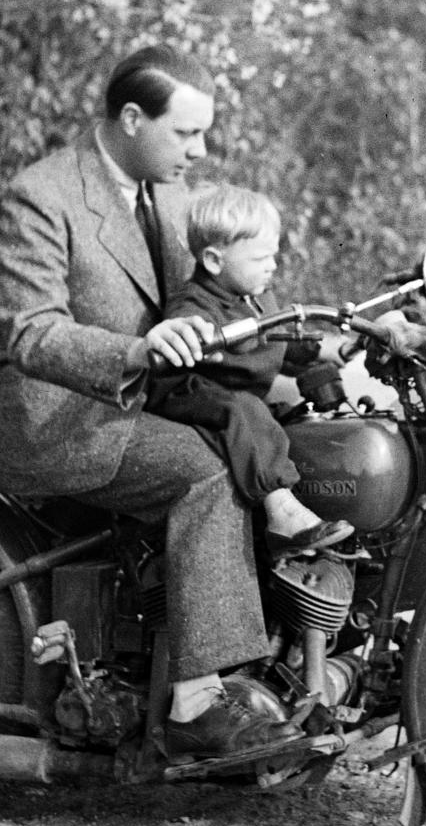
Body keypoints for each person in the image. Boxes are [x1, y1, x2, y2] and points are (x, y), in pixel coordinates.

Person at [0, 43, 300, 761]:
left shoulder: (174, 195)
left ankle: (260, 656)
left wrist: (317, 340)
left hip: (139, 402)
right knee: (205, 469)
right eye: (186, 133)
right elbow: (28, 331)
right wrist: (135, 352)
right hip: (53, 419)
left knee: (280, 429)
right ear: (129, 118)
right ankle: (195, 703)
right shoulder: (43, 195)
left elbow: (228, 293)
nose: (201, 149)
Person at [147, 185, 355, 553]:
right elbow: (189, 331)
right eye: (261, 259)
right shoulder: (194, 302)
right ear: (214, 260)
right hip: (191, 392)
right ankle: (281, 510)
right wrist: (200, 336)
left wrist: (332, 349)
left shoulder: (255, 298)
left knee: (300, 417)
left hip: (236, 397)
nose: (272, 266)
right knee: (246, 410)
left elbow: (282, 338)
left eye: (273, 256)